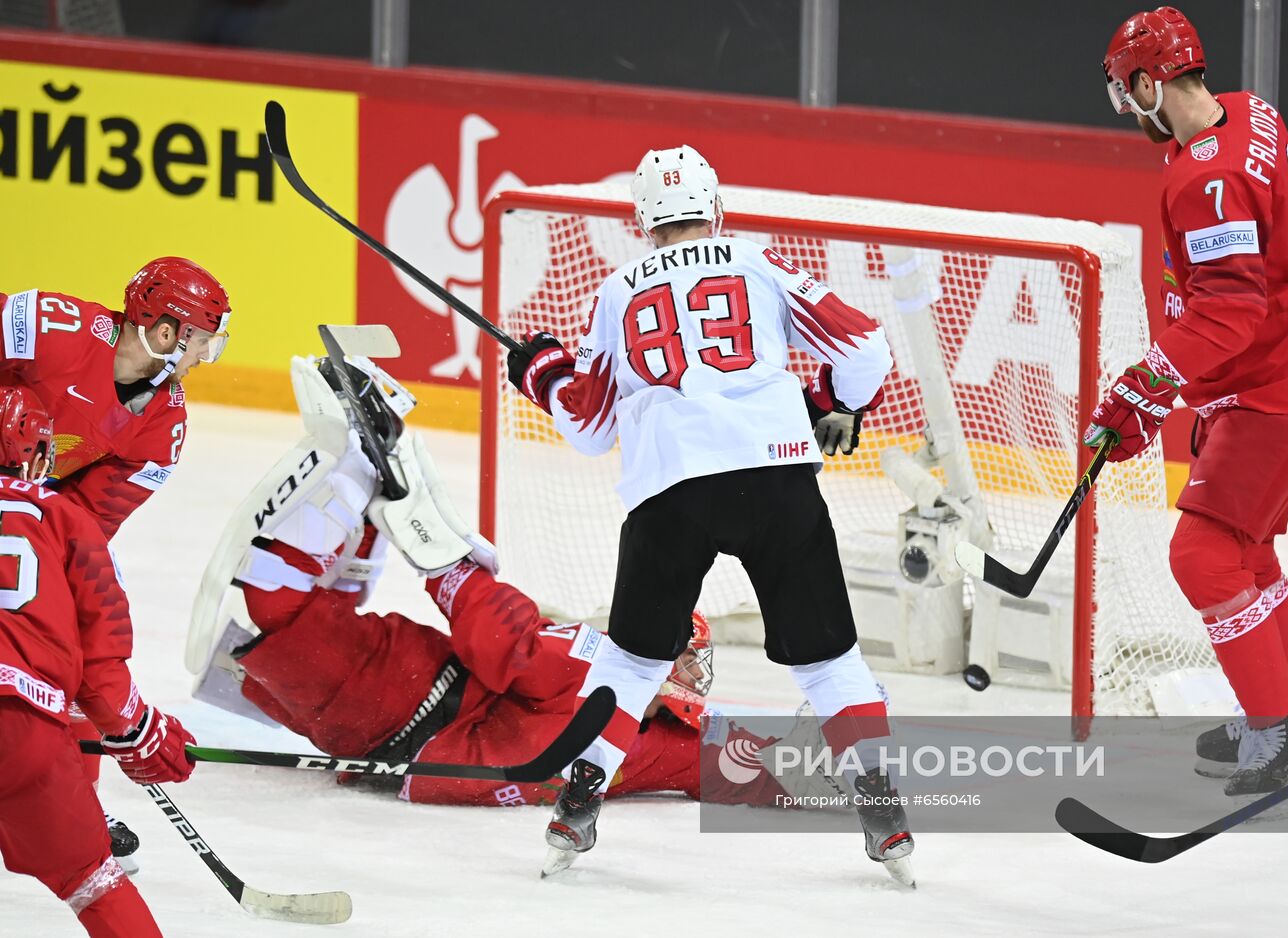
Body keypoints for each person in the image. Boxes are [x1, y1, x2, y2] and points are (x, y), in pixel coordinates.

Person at [506, 145, 913, 883]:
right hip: (775, 473)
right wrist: (836, 404)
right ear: (714, 207)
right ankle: (881, 809)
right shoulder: (757, 264)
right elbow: (866, 347)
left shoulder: (616, 290)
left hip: (672, 487)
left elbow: (590, 427)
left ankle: (577, 803)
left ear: (642, 219)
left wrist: (542, 370)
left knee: (633, 660)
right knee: (829, 662)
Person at [196, 356, 810, 813]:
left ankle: (360, 477)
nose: (691, 685)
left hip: (407, 706)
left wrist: (450, 568)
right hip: (409, 721)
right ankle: (365, 500)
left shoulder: (615, 689)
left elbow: (505, 643)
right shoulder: (656, 741)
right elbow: (760, 767)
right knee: (306, 623)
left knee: (279, 618)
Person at [1091, 7, 1288, 814]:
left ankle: (1275, 738)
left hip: (1283, 384)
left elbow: (1230, 310)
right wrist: (1173, 386)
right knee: (1244, 553)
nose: (1127, 113)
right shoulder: (1251, 113)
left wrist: (1145, 384)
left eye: (1125, 94)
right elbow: (1241, 293)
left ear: (1148, 83)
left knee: (1203, 558)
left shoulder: (1205, 177)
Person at [0, 257, 230, 869]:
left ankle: (70, 806)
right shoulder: (51, 325)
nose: (205, 357)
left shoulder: (166, 424)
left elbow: (84, 528)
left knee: (73, 624)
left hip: (12, 514)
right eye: (201, 342)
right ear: (164, 332)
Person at [0, 385, 198, 938]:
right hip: (20, 733)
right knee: (96, 885)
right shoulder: (66, 518)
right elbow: (101, 673)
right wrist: (143, 735)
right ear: (38, 455)